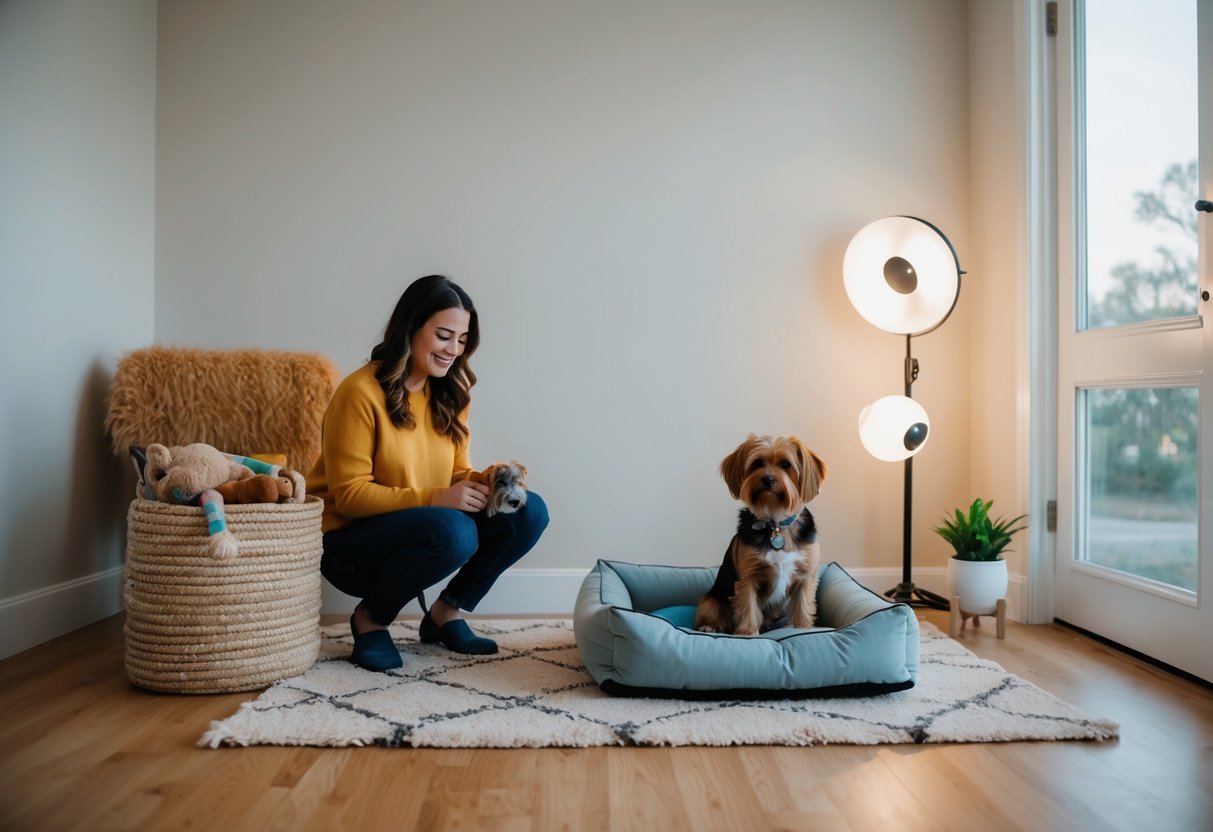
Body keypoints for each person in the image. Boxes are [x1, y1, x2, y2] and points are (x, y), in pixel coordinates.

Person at [308, 275, 549, 671]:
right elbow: (350, 496)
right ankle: (370, 619)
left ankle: (445, 613)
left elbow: (454, 475)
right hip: (348, 545)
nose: (454, 349)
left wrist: (488, 481)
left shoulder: (450, 394)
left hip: (421, 524)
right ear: (412, 327)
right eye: (443, 335)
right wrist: (437, 498)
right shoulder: (360, 393)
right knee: (454, 530)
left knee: (529, 510)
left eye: (462, 339)